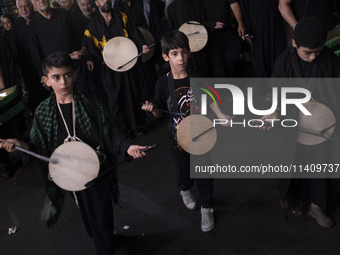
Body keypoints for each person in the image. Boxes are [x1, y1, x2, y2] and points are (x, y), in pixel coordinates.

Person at [0, 51, 147, 254]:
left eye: (67, 75)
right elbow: (40, 147)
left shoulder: (90, 103)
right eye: (56, 77)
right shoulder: (43, 113)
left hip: (97, 171)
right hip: (70, 176)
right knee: (89, 215)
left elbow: (111, 131)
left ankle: (105, 247)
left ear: (75, 75)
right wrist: (20, 145)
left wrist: (127, 147)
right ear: (46, 81)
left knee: (101, 215)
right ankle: (105, 239)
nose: (63, 82)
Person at [261, 17, 340, 227]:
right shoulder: (284, 60)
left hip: (321, 128)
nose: (313, 57)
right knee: (290, 163)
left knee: (320, 168)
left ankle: (317, 206)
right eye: (307, 52)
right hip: (291, 126)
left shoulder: (330, 60)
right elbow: (275, 89)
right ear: (294, 43)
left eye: (318, 51)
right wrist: (275, 110)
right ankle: (292, 199)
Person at [142, 30, 217, 232]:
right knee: (184, 173)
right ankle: (184, 189)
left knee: (205, 175)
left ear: (189, 53)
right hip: (178, 140)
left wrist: (222, 115)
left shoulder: (198, 77)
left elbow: (210, 101)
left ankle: (207, 209)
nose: (180, 58)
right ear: (166, 57)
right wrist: (152, 109)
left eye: (183, 52)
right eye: (174, 53)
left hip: (202, 136)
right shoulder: (162, 83)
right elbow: (158, 114)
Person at [84, 0, 151, 135]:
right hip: (110, 69)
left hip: (129, 64)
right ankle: (123, 131)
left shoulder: (122, 17)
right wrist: (90, 59)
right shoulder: (92, 26)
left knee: (133, 94)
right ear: (97, 3)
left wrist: (142, 44)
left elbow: (135, 33)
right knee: (116, 99)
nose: (106, 1)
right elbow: (88, 46)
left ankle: (136, 126)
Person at [28, 0, 88, 92]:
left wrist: (83, 53)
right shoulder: (33, 24)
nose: (41, 1)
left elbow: (81, 37)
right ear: (33, 4)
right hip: (54, 73)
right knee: (66, 101)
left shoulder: (64, 14)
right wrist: (42, 76)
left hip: (75, 66)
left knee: (85, 96)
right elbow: (35, 53)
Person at [12, 0, 50, 112]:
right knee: (35, 96)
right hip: (28, 69)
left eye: (26, 6)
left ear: (32, 6)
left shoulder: (39, 19)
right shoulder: (17, 25)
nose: (24, 9)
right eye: (21, 7)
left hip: (44, 65)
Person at [240, 0, 287, 78]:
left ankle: (278, 84)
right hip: (256, 27)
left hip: (276, 24)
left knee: (279, 53)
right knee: (261, 58)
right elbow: (243, 6)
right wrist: (246, 30)